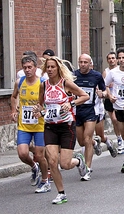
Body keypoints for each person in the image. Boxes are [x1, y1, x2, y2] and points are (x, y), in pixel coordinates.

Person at [32, 56, 89, 204]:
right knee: (52, 161)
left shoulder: (65, 83)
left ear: (58, 69)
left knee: (65, 164)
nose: (50, 70)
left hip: (66, 126)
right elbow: (41, 105)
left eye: (53, 67)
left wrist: (71, 103)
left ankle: (78, 161)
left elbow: (85, 96)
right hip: (50, 126)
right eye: (48, 67)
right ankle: (61, 193)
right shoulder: (43, 85)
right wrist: (38, 109)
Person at [11, 55, 50, 193]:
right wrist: (13, 110)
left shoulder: (43, 83)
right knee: (22, 153)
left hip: (40, 125)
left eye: (30, 67)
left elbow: (50, 103)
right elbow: (14, 96)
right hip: (24, 125)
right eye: (25, 68)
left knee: (40, 156)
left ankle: (45, 181)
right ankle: (34, 167)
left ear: (35, 68)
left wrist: (42, 111)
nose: (27, 70)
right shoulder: (19, 82)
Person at [73, 54, 107, 181]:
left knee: (87, 139)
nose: (82, 64)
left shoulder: (96, 76)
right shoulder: (73, 75)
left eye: (85, 62)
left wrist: (102, 94)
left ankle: (87, 168)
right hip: (77, 111)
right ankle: (95, 142)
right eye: (80, 62)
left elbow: (105, 91)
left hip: (90, 111)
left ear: (89, 63)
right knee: (81, 142)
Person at [105, 47, 124, 173]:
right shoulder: (113, 72)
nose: (121, 60)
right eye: (120, 58)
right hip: (118, 107)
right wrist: (110, 95)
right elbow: (105, 85)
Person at [102, 52, 124, 153]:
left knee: (118, 120)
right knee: (114, 120)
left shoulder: (122, 71)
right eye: (109, 58)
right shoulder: (106, 72)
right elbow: (104, 85)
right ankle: (119, 138)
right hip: (110, 98)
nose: (111, 60)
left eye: (113, 58)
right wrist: (108, 94)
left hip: (121, 99)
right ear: (107, 60)